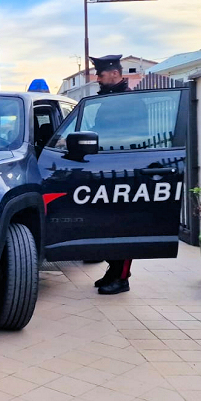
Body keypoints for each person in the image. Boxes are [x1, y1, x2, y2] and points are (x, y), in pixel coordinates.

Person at [90, 54, 134, 296]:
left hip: (123, 170)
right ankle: (113, 269)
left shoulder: (129, 101)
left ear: (115, 73)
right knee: (107, 225)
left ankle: (122, 276)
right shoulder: (107, 99)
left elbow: (130, 137)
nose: (97, 78)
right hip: (106, 168)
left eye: (100, 74)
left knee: (122, 225)